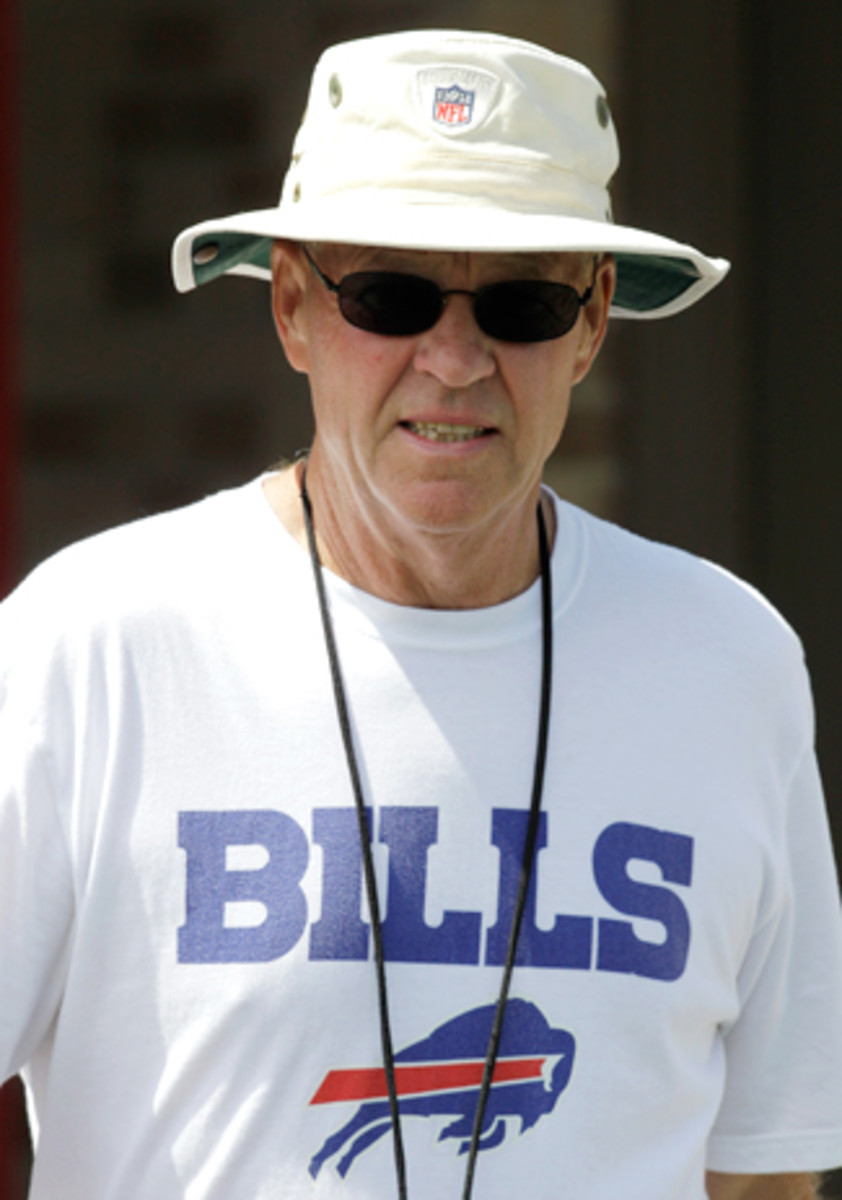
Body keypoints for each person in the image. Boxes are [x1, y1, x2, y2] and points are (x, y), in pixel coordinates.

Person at [2, 27, 841, 1200]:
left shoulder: (728, 662)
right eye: (388, 297)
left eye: (521, 306)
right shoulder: (89, 645)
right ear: (291, 308)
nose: (453, 361)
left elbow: (757, 1173)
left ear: (593, 322)